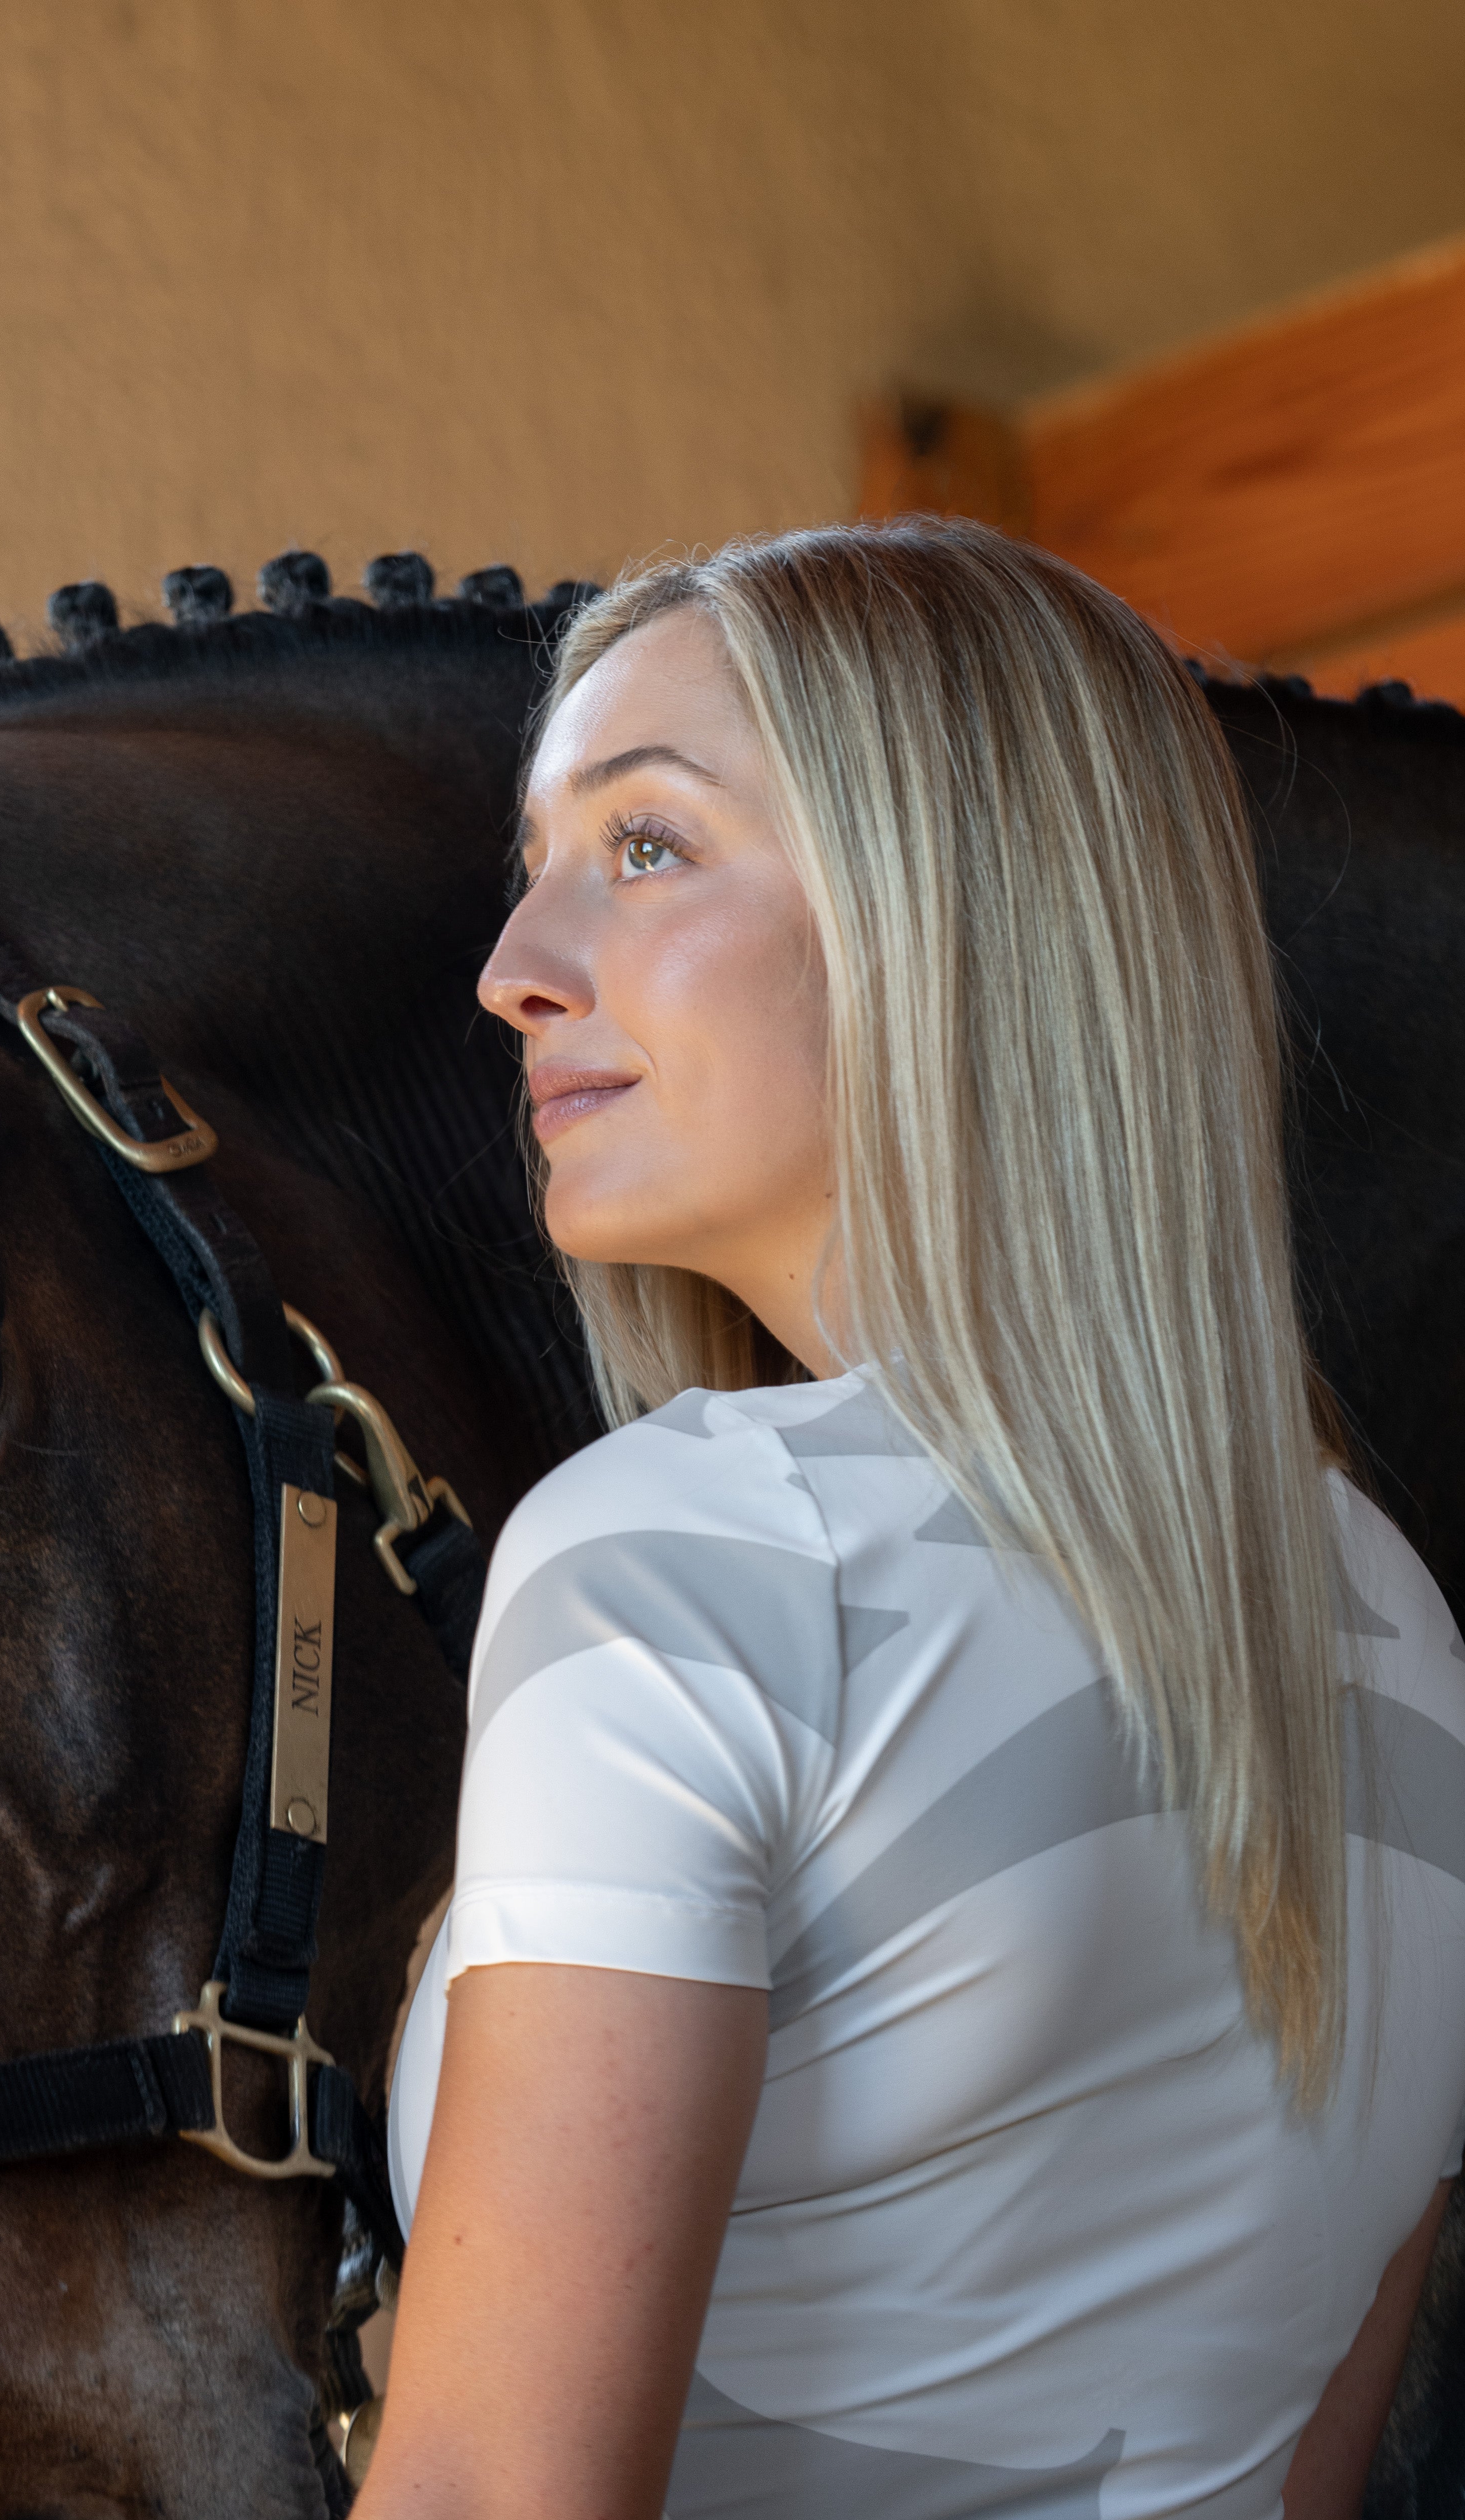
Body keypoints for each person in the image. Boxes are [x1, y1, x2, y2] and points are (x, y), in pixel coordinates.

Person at [351, 522, 1465, 2520]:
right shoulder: (1393, 1619)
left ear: (944, 914)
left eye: (649, 845)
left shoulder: (687, 1560)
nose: (518, 967)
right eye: (540, 863)